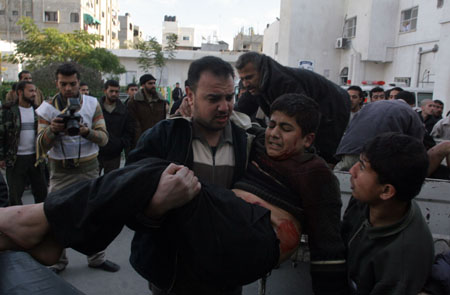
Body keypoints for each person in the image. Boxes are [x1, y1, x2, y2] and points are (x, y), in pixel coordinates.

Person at [0, 93, 347, 295]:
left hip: (259, 238)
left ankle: (43, 222)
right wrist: (190, 115)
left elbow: (328, 249)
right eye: (271, 124)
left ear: (308, 140)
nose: (273, 134)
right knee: (161, 176)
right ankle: (53, 230)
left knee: (169, 174)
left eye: (285, 129)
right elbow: (236, 124)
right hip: (222, 234)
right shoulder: (256, 148)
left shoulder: (316, 174)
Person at [35, 62, 119, 274]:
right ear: (57, 83)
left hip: (88, 168)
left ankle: (97, 258)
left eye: (72, 84)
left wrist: (85, 132)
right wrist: (52, 130)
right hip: (60, 170)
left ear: (78, 82)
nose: (68, 88)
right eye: (63, 84)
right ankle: (58, 261)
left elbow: (104, 139)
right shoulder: (47, 108)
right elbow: (41, 144)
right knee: (55, 216)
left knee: (93, 215)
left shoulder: (92, 104)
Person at [341, 132, 434, 294]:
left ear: (386, 191)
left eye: (362, 166)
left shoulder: (403, 261)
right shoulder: (365, 200)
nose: (352, 171)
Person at [235, 51, 350, 164]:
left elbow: (304, 115)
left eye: (249, 77)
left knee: (319, 154)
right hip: (320, 101)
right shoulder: (257, 85)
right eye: (242, 79)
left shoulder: (284, 83)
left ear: (261, 71)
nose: (245, 84)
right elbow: (238, 111)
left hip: (335, 105)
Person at [334, 99, 425, 171]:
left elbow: (352, 124)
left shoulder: (370, 106)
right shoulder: (410, 112)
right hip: (378, 157)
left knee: (341, 178)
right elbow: (416, 144)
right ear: (411, 104)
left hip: (350, 149)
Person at [0, 81, 47, 205]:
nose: (34, 94)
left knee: (42, 193)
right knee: (15, 195)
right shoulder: (8, 111)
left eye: (34, 91)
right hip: (16, 159)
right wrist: (1, 157)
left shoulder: (38, 111)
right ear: (20, 92)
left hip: (36, 158)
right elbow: (1, 134)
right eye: (30, 91)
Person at [98, 80, 134, 174]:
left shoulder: (124, 110)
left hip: (114, 154)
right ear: (105, 91)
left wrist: (120, 144)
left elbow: (128, 130)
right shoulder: (96, 108)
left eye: (116, 91)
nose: (114, 94)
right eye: (111, 91)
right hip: (96, 153)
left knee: (110, 183)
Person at [127, 74, 166, 149]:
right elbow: (134, 125)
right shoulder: (134, 102)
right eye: (150, 83)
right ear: (143, 85)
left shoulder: (161, 101)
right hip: (141, 142)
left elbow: (163, 121)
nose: (153, 85)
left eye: (154, 83)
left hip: (157, 141)